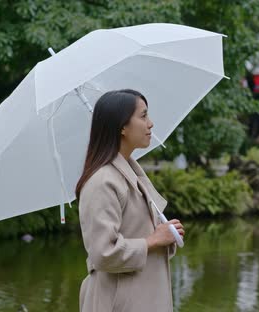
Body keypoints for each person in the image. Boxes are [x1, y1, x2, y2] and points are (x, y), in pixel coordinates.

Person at [76, 89, 184, 312]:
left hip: (144, 297)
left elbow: (139, 231)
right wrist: (153, 240)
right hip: (119, 302)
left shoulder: (132, 174)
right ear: (122, 127)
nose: (150, 123)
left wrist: (166, 235)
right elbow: (103, 252)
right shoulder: (102, 182)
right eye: (143, 116)